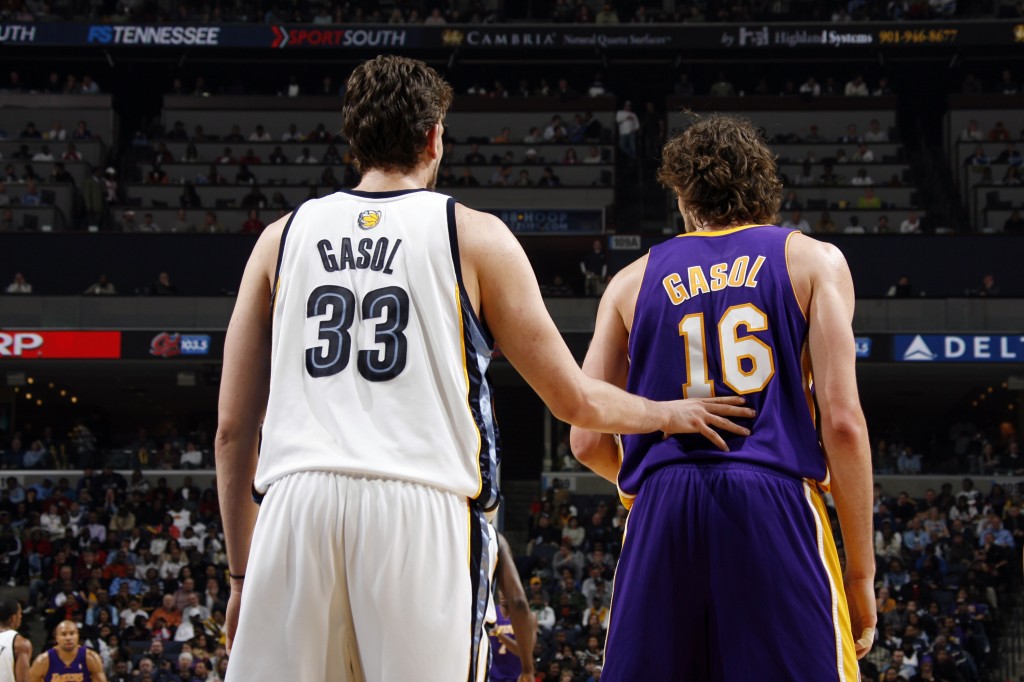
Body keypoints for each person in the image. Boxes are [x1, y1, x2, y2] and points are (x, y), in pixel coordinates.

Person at [216, 55, 751, 682]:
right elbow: (574, 400)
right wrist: (668, 412)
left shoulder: (280, 238)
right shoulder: (473, 235)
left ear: (352, 137)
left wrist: (239, 575)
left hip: (294, 504)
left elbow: (232, 429)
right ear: (434, 136)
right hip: (419, 504)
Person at [569, 114, 876, 680]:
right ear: (764, 190)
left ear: (685, 199)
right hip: (771, 497)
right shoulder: (813, 261)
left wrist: (643, 481)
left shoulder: (630, 280)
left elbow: (586, 438)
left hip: (660, 503)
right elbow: (843, 424)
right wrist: (862, 575)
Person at [479, 530, 536, 682]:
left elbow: (523, 651)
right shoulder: (489, 614)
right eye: (502, 592)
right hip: (490, 676)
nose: (504, 595)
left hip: (516, 677)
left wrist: (499, 635)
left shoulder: (530, 618)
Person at [28, 620, 107, 682]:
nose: (68, 638)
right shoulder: (42, 661)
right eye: (64, 634)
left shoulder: (91, 658)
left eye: (72, 634)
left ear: (78, 636)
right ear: (57, 638)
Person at [0, 598, 31, 682]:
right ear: (13, 617)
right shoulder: (20, 643)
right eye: (20, 613)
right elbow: (23, 680)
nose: (21, 616)